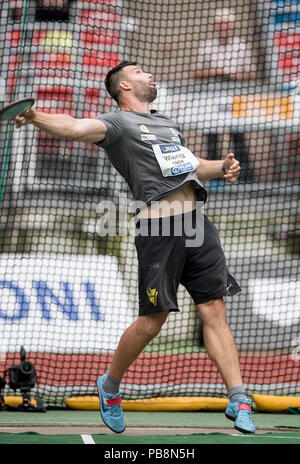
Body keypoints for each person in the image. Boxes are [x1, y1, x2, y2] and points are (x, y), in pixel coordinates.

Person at [14, 61, 256, 434]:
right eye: (141, 71)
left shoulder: (167, 124)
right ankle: (109, 386)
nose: (150, 74)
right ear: (124, 86)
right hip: (159, 229)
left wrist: (222, 166)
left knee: (214, 309)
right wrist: (35, 117)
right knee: (153, 320)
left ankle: (238, 397)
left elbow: (192, 167)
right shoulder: (116, 124)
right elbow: (75, 127)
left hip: (198, 226)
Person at [195, 9, 256, 182]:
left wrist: (234, 75)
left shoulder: (241, 46)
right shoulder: (207, 46)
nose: (224, 28)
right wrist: (214, 72)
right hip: (212, 98)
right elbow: (197, 73)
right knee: (212, 138)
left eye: (226, 25)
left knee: (238, 136)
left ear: (231, 26)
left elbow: (250, 74)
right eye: (221, 25)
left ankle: (245, 177)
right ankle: (215, 178)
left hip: (234, 97)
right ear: (216, 26)